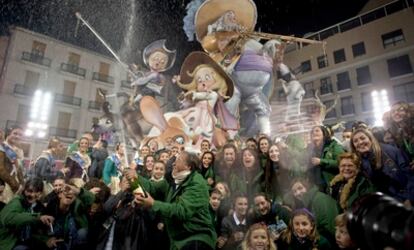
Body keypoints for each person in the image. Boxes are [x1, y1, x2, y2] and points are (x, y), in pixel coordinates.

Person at [129, 151, 217, 250]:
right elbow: (151, 187)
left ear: (188, 166)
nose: (173, 163)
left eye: (178, 160)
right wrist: (135, 178)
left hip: (197, 239)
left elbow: (182, 210)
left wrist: (153, 203)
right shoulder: (173, 181)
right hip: (179, 241)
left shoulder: (197, 183)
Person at [350, 128, 413, 204]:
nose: (360, 142)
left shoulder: (390, 151)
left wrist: (410, 198)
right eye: (355, 141)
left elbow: (410, 175)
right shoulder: (361, 162)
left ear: (370, 139)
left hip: (405, 198)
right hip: (388, 203)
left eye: (363, 138)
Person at [0, 178, 55, 250]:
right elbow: (8, 219)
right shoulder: (17, 202)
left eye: (37, 192)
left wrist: (46, 240)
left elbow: (31, 233)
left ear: (40, 193)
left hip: (24, 242)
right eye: (29, 191)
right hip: (8, 244)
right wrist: (37, 217)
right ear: (24, 191)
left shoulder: (37, 207)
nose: (32, 195)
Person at [44, 183, 96, 250]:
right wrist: (46, 240)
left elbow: (91, 199)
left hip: (75, 245)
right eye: (66, 191)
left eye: (72, 192)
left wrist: (77, 190)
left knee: (82, 232)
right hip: (55, 246)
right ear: (59, 194)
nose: (69, 193)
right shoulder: (50, 208)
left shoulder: (78, 207)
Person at [289, 177, 338, 244]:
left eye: (300, 188)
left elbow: (330, 227)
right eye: (294, 191)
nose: (297, 193)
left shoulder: (320, 199)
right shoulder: (306, 203)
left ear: (307, 186)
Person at [307, 125, 344, 192]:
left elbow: (342, 163)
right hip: (318, 188)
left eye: (317, 130)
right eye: (312, 132)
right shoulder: (310, 150)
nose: (314, 133)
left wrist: (321, 161)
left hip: (335, 186)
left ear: (324, 134)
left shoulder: (333, 146)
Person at [0, 126, 25, 203]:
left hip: (16, 186)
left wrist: (22, 184)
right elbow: (1, 169)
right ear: (9, 133)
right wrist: (15, 186)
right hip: (3, 185)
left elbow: (19, 169)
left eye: (20, 135)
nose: (17, 136)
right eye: (15, 133)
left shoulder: (20, 151)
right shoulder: (2, 146)